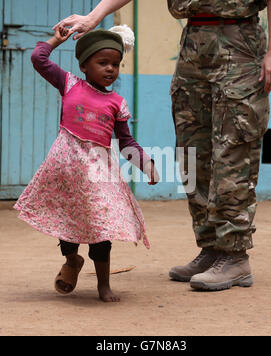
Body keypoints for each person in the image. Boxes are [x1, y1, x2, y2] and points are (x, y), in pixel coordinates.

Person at [54, 0, 271, 291]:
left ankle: (235, 256)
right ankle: (211, 248)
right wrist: (94, 16)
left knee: (233, 148)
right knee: (192, 150)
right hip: (193, 44)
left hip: (239, 41)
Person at [14, 24, 159, 302]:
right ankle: (72, 262)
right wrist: (56, 40)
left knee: (100, 231)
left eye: (115, 64)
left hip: (97, 176)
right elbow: (38, 59)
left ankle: (103, 286)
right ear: (84, 65)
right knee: (67, 228)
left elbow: (126, 142)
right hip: (65, 174)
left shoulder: (117, 103)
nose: (110, 69)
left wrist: (146, 164)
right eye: (102, 62)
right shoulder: (68, 83)